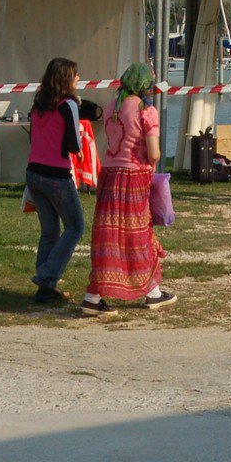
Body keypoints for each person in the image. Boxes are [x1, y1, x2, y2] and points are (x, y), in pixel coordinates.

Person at [82, 62, 174, 315]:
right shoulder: (147, 110)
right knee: (138, 235)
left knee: (109, 236)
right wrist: (152, 161)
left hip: (110, 175)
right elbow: (153, 152)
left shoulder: (112, 107)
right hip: (134, 177)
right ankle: (152, 293)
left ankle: (93, 295)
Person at [26, 57, 96, 305]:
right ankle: (46, 276)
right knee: (76, 226)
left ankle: (45, 288)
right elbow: (72, 142)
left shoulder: (39, 102)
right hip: (56, 175)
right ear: (67, 78)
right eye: (76, 75)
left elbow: (34, 136)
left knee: (50, 230)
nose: (79, 79)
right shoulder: (69, 104)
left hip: (34, 172)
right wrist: (77, 151)